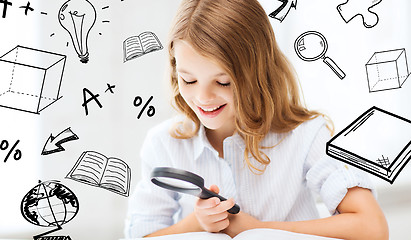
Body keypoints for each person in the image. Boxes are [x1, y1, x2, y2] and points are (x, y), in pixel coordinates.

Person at [125, 0, 389, 239]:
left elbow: (373, 228)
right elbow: (141, 236)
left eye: (223, 81)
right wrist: (198, 222)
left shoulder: (308, 135)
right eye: (189, 80)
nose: (203, 98)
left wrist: (258, 230)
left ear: (258, 72)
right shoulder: (163, 143)